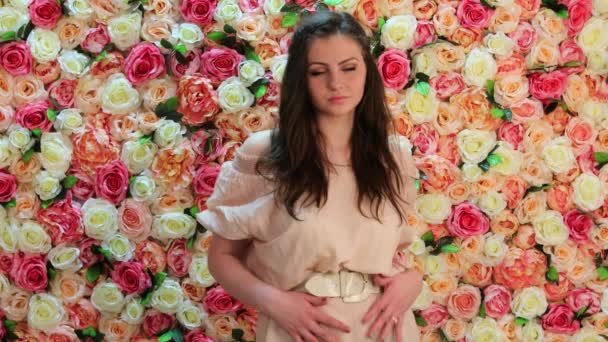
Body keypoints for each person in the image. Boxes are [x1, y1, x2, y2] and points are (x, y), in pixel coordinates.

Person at [197, 10, 422, 342]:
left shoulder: (393, 155)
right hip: (300, 330)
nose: (336, 83)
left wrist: (413, 280)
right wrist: (271, 300)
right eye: (319, 72)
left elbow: (393, 252)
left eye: (349, 68)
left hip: (386, 329)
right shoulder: (265, 154)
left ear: (366, 73)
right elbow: (221, 257)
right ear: (301, 79)